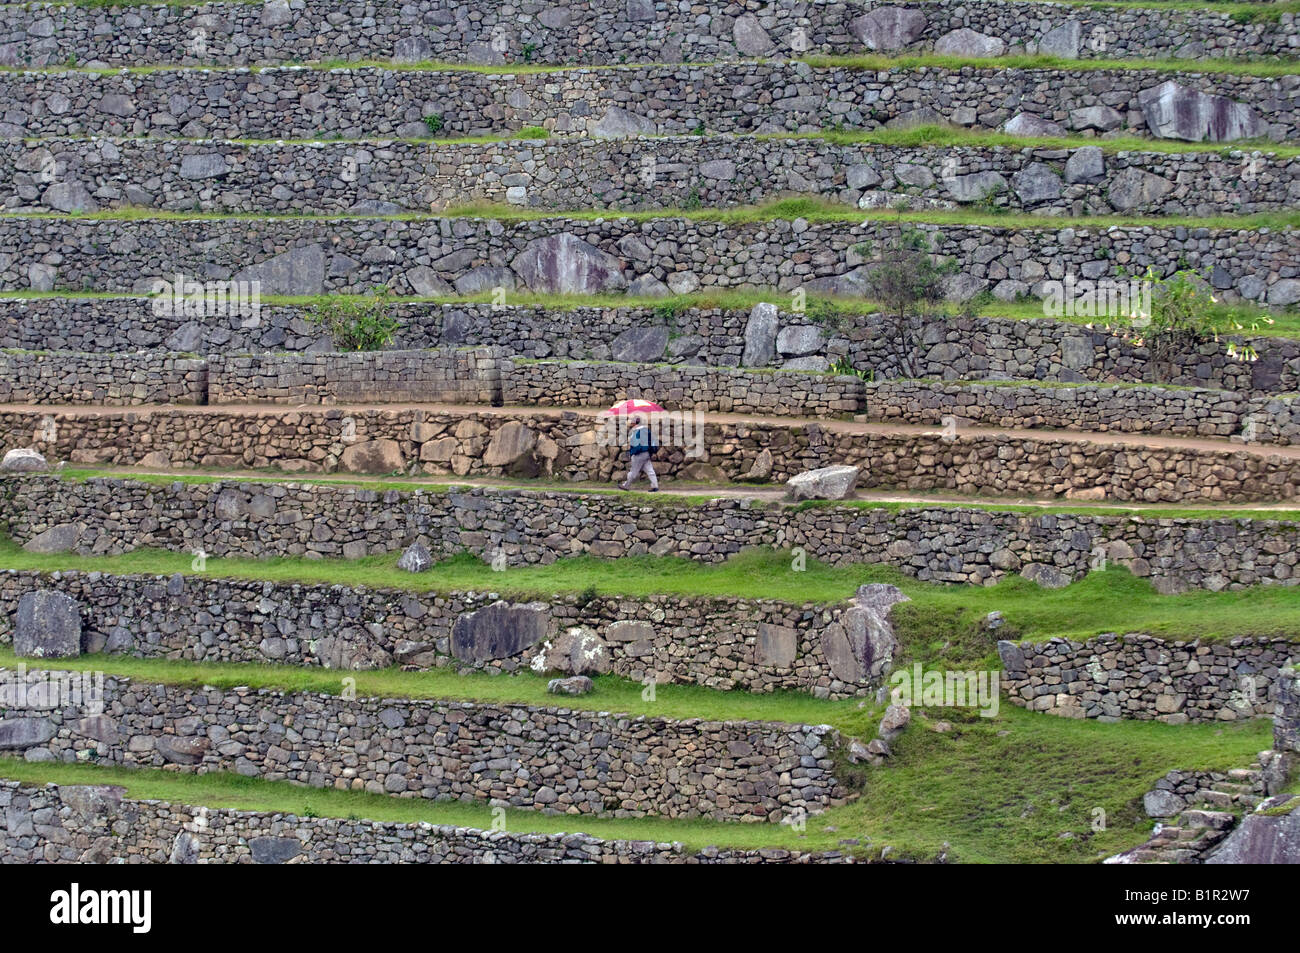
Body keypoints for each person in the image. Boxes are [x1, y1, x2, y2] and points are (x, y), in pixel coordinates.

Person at [618, 413, 659, 492]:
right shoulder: (646, 430)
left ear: (635, 423)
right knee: (649, 470)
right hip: (647, 453)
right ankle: (655, 486)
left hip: (639, 453)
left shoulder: (637, 431)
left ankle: (626, 485)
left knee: (633, 471)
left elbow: (636, 444)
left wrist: (633, 452)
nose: (631, 424)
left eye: (632, 422)